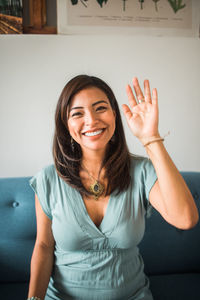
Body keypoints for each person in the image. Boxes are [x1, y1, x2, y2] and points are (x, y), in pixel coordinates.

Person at [28, 75, 199, 300]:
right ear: (66, 125)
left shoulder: (141, 171)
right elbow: (43, 245)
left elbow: (185, 219)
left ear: (115, 115)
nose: (91, 120)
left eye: (100, 108)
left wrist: (151, 138)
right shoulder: (48, 179)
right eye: (77, 113)